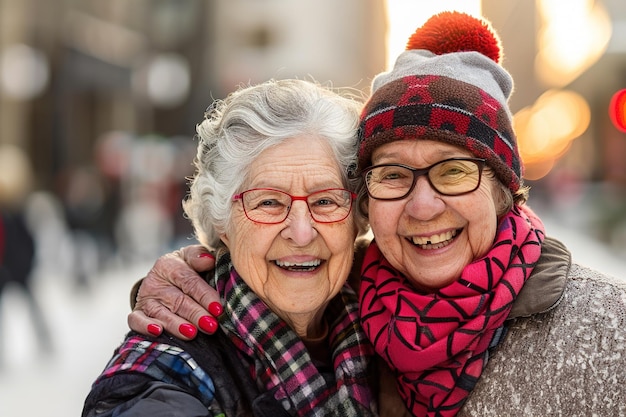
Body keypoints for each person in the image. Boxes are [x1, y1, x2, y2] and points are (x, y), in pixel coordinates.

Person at [127, 11, 626, 417]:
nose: (424, 205)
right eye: (392, 175)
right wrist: (180, 282)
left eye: (453, 171)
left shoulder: (609, 334)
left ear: (503, 189)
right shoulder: (358, 305)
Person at [82, 78, 379, 416]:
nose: (301, 232)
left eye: (325, 200)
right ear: (221, 219)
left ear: (357, 217)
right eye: (268, 202)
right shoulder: (167, 369)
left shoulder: (389, 331)